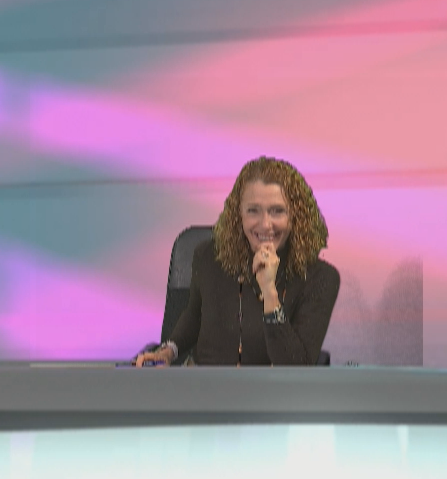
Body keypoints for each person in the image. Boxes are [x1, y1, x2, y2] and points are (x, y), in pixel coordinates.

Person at [133, 156, 340, 367]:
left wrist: (269, 293)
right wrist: (168, 351)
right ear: (238, 214)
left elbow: (296, 366)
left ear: (296, 216)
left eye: (277, 211)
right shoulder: (209, 256)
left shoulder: (321, 278)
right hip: (201, 382)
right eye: (253, 211)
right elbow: (194, 316)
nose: (265, 224)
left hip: (268, 386)